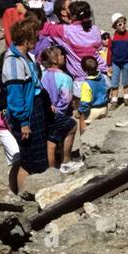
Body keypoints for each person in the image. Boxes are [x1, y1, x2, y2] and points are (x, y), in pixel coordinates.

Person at [1, 17, 50, 193]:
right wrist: (23, 122)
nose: (37, 41)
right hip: (27, 115)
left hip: (35, 109)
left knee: (33, 156)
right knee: (31, 160)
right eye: (35, 38)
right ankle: (25, 194)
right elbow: (16, 96)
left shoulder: (24, 56)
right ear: (27, 39)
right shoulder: (13, 62)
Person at [38, 42, 80, 173]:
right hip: (58, 112)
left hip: (44, 111)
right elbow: (66, 99)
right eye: (61, 55)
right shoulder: (65, 78)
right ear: (55, 60)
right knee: (71, 126)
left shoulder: (41, 76)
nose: (64, 57)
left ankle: (54, 163)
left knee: (51, 138)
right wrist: (59, 110)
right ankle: (66, 161)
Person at [106, 12, 128, 105]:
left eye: (124, 23)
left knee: (126, 80)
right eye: (119, 24)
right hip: (115, 63)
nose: (122, 26)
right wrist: (109, 64)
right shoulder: (112, 37)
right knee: (114, 82)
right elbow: (109, 51)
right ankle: (114, 100)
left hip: (126, 62)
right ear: (115, 26)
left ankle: (126, 98)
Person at [75, 55, 110, 136]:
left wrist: (80, 111)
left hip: (91, 111)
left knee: (86, 131)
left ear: (84, 69)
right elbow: (108, 88)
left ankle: (83, 144)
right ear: (97, 65)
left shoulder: (86, 84)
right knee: (101, 131)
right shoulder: (104, 77)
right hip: (104, 108)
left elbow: (85, 101)